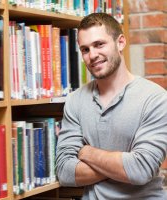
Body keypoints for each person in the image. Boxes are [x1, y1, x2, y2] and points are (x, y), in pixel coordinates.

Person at [55, 12, 167, 199]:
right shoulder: (75, 101)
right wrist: (123, 164)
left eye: (99, 44)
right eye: (85, 49)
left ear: (120, 42)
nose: (92, 55)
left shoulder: (156, 99)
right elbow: (65, 172)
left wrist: (86, 152)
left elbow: (141, 170)